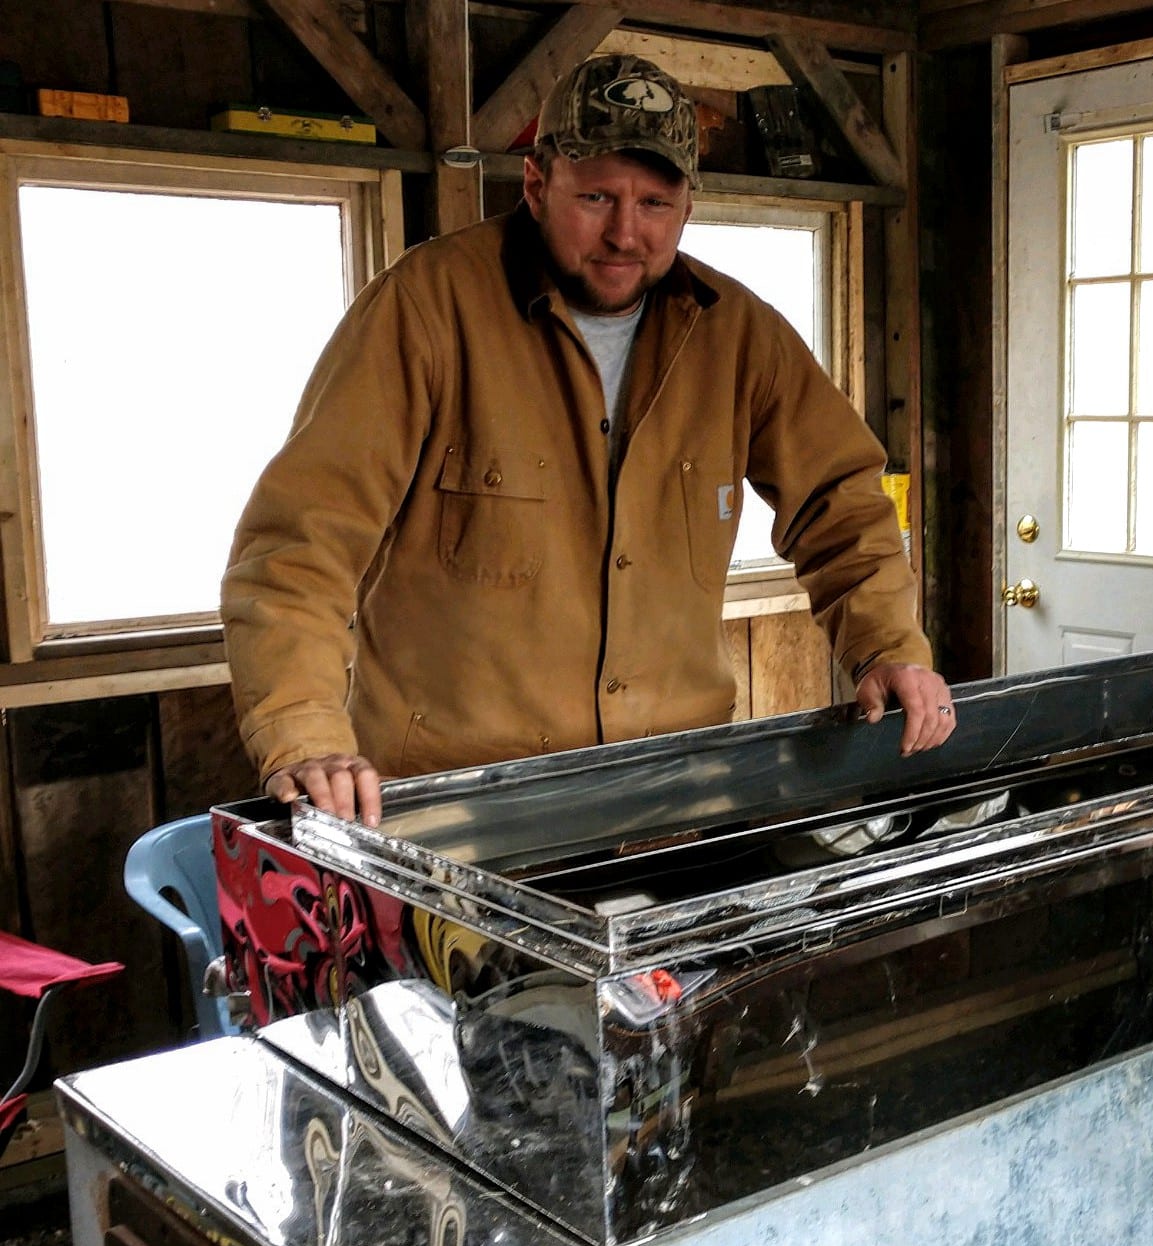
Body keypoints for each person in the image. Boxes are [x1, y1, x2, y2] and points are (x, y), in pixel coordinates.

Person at [222, 54, 954, 827]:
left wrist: (887, 646)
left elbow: (841, 502)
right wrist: (304, 734)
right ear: (537, 185)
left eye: (655, 203)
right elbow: (300, 546)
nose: (624, 233)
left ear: (687, 205)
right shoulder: (425, 311)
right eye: (596, 196)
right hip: (458, 808)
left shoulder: (739, 336)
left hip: (673, 795)